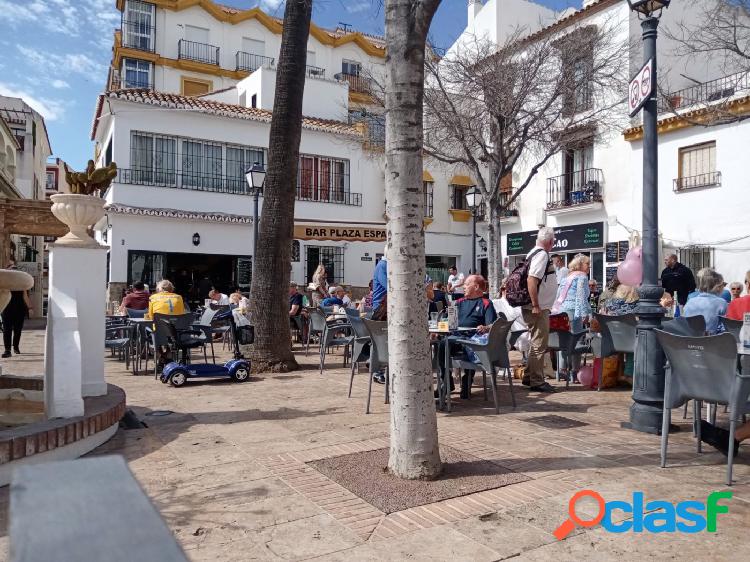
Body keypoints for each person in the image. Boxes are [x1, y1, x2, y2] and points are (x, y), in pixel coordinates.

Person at [437, 274, 497, 399]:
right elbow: (448, 320)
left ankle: (467, 380)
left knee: (459, 343)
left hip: (473, 340)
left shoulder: (486, 303)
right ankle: (446, 382)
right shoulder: (458, 302)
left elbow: (493, 325)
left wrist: (485, 327)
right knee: (441, 343)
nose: (463, 287)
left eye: (466, 284)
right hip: (456, 337)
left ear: (476, 287)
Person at [521, 227, 558, 393]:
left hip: (536, 306)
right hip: (537, 308)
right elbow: (531, 280)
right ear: (550, 242)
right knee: (539, 344)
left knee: (535, 342)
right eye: (554, 242)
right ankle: (537, 381)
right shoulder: (542, 255)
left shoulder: (532, 253)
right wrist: (536, 305)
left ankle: (529, 376)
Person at [552, 254, 592, 333]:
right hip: (574, 313)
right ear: (579, 264)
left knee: (565, 338)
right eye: (587, 264)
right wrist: (584, 314)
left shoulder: (567, 277)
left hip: (561, 312)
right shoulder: (582, 276)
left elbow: (558, 294)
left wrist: (554, 309)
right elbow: (581, 295)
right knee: (576, 340)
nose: (589, 266)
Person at [682, 267, 728, 334]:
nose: (724, 287)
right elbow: (726, 328)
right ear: (717, 287)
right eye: (723, 284)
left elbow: (683, 323)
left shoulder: (690, 302)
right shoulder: (721, 303)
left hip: (688, 340)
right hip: (709, 341)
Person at [1, 262, 31, 357]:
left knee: (18, 329)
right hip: (6, 308)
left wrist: (30, 307)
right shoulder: (4, 283)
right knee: (7, 329)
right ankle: (7, 350)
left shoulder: (21, 284)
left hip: (19, 308)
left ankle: (15, 347)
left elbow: (25, 296)